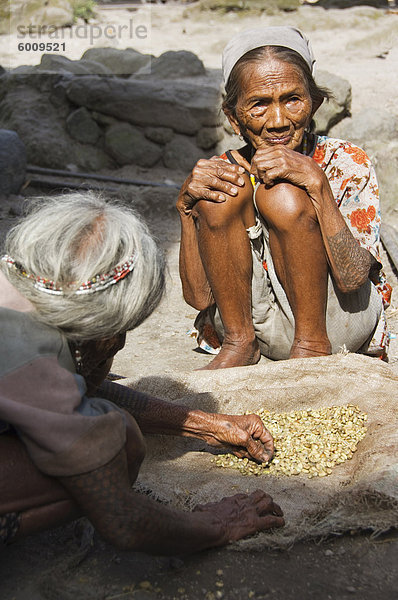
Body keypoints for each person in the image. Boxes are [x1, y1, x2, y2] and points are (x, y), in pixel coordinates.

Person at [0, 192, 284, 552]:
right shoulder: (29, 354)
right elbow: (121, 519)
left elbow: (65, 395)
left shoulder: (17, 282)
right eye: (119, 336)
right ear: (105, 332)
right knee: (120, 443)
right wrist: (217, 524)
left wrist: (206, 425)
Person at [177, 26, 391, 370]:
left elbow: (353, 280)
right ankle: (238, 343)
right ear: (234, 118)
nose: (278, 121)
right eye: (259, 105)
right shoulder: (222, 171)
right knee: (219, 194)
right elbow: (200, 298)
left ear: (314, 103)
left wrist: (317, 185)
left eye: (292, 99)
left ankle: (310, 346)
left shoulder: (345, 160)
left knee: (283, 194)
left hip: (338, 321)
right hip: (255, 325)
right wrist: (186, 209)